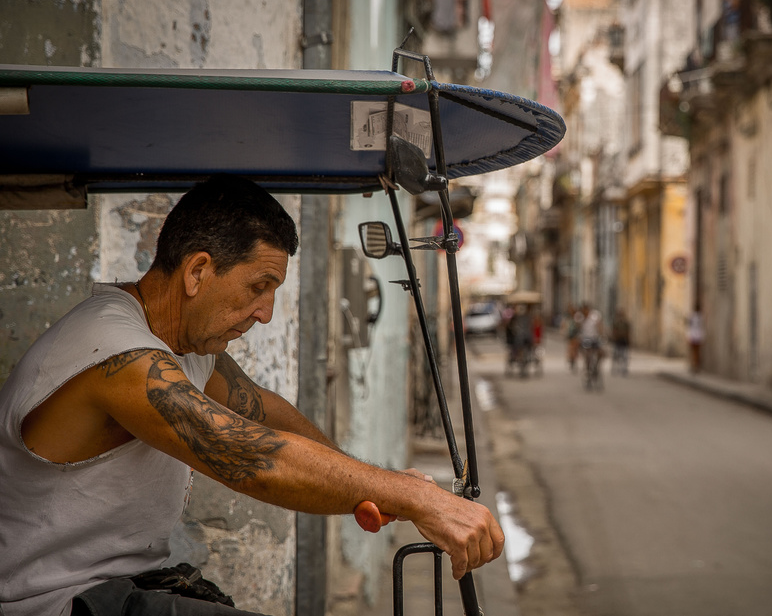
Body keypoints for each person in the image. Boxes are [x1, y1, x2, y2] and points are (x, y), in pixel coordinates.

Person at [0, 175, 504, 616]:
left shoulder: (182, 345)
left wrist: (376, 485)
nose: (264, 313)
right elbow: (252, 454)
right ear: (198, 271)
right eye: (258, 287)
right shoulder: (119, 356)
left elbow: (265, 413)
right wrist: (412, 495)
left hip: (115, 591)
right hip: (52, 603)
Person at [610, 308, 630, 376]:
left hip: (624, 341)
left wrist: (628, 340)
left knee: (624, 356)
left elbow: (628, 332)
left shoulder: (626, 323)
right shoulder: (616, 323)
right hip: (617, 341)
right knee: (616, 356)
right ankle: (615, 369)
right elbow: (614, 331)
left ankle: (624, 369)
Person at [687, 308, 704, 374]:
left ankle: (694, 365)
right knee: (696, 352)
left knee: (694, 352)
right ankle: (694, 365)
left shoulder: (693, 317)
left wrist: (689, 336)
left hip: (694, 336)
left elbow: (690, 327)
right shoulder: (700, 317)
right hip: (698, 336)